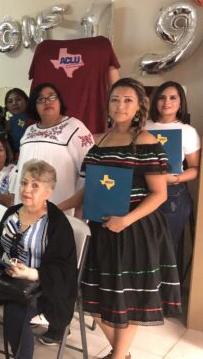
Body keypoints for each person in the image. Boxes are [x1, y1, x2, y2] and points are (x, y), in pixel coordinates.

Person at [59, 78, 182, 359]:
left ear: (139, 106)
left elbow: (159, 194)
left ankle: (118, 356)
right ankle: (122, 354)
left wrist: (125, 220)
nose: (120, 105)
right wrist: (57, 206)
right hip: (101, 229)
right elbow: (88, 189)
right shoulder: (99, 140)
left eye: (128, 100)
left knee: (127, 298)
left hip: (134, 230)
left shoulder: (146, 141)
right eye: (115, 99)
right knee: (96, 297)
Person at [0, 159, 77, 359]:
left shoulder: (57, 224)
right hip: (5, 279)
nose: (26, 189)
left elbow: (64, 270)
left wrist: (31, 273)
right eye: (23, 182)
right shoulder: (12, 213)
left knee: (16, 315)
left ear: (48, 192)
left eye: (35, 185)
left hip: (40, 286)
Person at [10, 83, 93, 213]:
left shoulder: (75, 128)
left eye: (51, 97)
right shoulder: (29, 131)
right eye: (41, 99)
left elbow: (89, 174)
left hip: (59, 208)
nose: (47, 102)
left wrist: (80, 213)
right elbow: (19, 170)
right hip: (26, 206)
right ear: (35, 106)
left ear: (60, 101)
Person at [145, 81, 200, 256]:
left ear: (181, 102)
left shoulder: (188, 131)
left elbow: (195, 168)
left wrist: (175, 179)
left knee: (166, 250)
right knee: (143, 247)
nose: (166, 102)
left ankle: (167, 284)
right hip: (142, 190)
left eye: (173, 97)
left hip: (173, 193)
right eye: (162, 97)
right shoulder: (143, 127)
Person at [3, 88, 31, 156]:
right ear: (7, 106)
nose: (14, 103)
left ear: (26, 101)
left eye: (18, 99)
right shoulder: (5, 124)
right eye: (10, 101)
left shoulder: (35, 120)